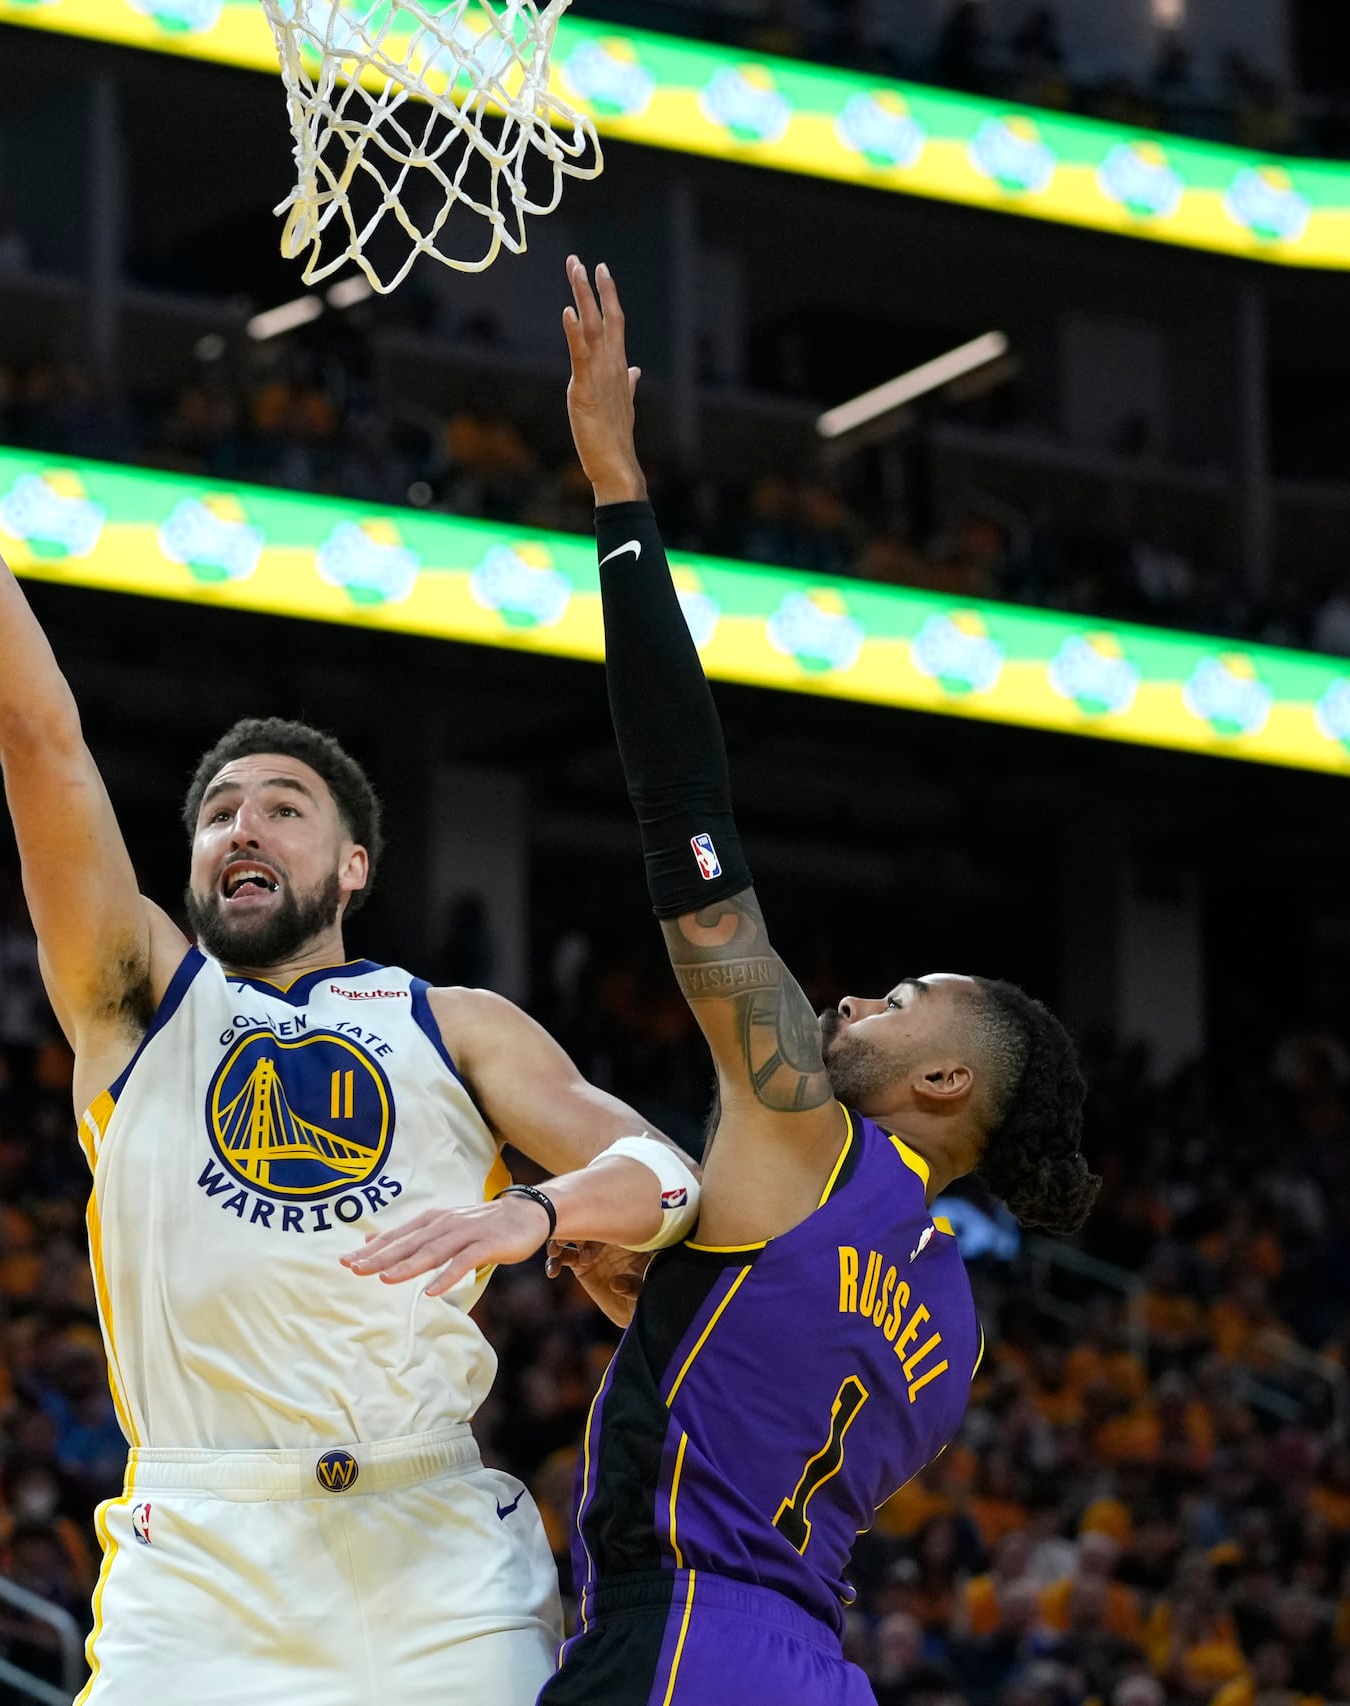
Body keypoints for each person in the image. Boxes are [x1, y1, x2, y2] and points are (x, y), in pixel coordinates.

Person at [0, 268, 709, 1705]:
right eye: (217, 812)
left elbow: (666, 1169)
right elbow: (34, 734)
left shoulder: (454, 1022)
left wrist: (536, 1211)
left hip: (431, 1543)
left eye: (282, 808)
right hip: (201, 1545)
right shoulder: (136, 996)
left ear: (354, 866)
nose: (242, 827)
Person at [522, 257, 1092, 1705]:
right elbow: (768, 1396)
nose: (850, 1004)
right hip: (811, 1668)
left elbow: (683, 805)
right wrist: (645, 1311)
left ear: (945, 1079)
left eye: (900, 999)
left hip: (681, 1642)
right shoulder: (952, 1323)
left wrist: (616, 491)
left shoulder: (800, 1131)